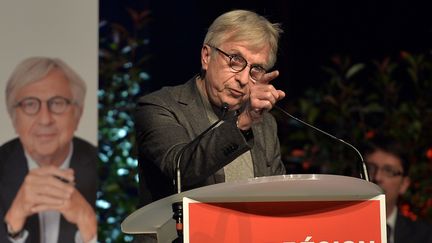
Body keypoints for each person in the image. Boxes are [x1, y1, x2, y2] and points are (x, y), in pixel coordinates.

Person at [135, 9, 286, 207]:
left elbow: (278, 197)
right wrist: (241, 124)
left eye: (255, 69)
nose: (242, 79)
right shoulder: (159, 106)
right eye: (235, 60)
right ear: (206, 56)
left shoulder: (264, 124)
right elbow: (180, 171)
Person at [0, 57, 97, 243]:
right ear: (13, 116)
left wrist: (89, 224)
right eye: (30, 104)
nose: (45, 119)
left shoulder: (104, 166)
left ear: (78, 113)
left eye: (57, 103)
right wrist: (13, 222)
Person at [364, 135, 432, 243]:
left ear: (404, 184)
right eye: (370, 168)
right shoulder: (338, 229)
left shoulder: (424, 236)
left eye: (389, 171)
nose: (377, 177)